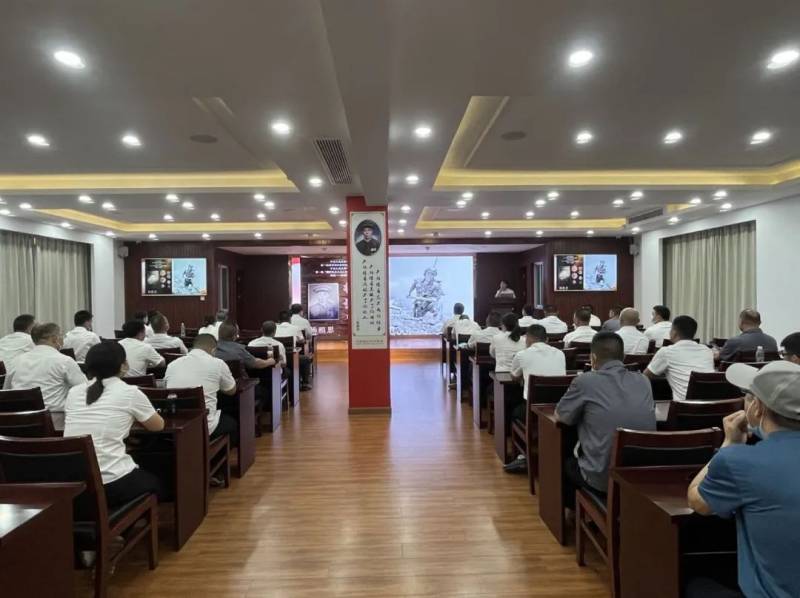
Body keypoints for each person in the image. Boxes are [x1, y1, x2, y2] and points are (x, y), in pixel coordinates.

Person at [687, 361, 800, 598]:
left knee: (694, 582)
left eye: (749, 396)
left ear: (757, 408)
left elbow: (697, 501)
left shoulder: (738, 461)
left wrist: (729, 443)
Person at [556, 332, 656, 503]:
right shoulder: (644, 381)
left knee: (564, 460)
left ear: (593, 358)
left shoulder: (585, 381)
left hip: (602, 479)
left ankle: (580, 510)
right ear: (623, 356)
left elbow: (561, 417)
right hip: (641, 477)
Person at [63, 341, 165, 508]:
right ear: (123, 366)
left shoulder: (74, 392)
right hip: (110, 482)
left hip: (75, 484)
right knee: (157, 484)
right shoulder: (130, 392)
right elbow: (158, 426)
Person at [164, 334, 239, 445]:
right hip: (205, 426)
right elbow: (231, 390)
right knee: (231, 423)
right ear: (213, 350)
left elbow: (167, 389)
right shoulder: (218, 363)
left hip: (176, 425)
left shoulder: (172, 365)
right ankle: (215, 453)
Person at [3, 323, 86, 411]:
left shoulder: (16, 361)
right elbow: (85, 389)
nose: (63, 339)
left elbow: (6, 393)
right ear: (54, 339)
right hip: (54, 416)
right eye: (62, 335)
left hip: (19, 417)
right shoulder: (65, 361)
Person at [645, 315, 715, 401]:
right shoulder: (707, 350)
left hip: (685, 406)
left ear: (674, 333)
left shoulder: (666, 352)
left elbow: (646, 376)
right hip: (713, 403)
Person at [511, 324, 567, 401]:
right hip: (558, 402)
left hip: (533, 403)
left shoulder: (522, 355)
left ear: (527, 339)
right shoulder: (560, 353)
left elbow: (514, 377)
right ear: (547, 340)